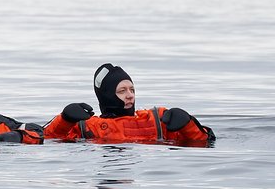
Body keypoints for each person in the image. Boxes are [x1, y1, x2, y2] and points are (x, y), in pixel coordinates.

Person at [43, 62, 216, 147]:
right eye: (122, 91)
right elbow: (46, 138)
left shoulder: (157, 119)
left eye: (132, 90)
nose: (130, 96)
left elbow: (201, 142)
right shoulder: (85, 125)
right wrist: (64, 119)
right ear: (107, 95)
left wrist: (188, 124)